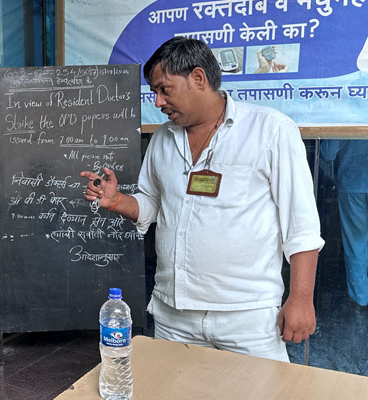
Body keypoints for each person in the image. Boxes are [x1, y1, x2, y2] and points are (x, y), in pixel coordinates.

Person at [82, 37, 324, 362]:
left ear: (198, 78)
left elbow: (301, 224)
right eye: (154, 91)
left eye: (164, 89)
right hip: (174, 315)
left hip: (247, 316)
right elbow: (151, 204)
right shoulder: (163, 141)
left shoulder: (271, 131)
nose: (157, 101)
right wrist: (117, 201)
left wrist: (301, 298)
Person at [319, 140, 368, 306]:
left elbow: (327, 153)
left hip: (353, 184)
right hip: (352, 185)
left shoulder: (343, 112)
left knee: (356, 246)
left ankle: (360, 301)